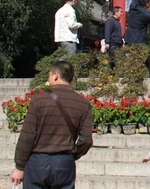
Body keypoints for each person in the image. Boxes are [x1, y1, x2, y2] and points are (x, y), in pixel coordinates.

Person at [11, 60, 94, 188]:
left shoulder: (39, 100)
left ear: (56, 75)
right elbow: (87, 140)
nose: (48, 78)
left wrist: (20, 166)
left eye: (49, 75)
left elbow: (28, 136)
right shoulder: (83, 104)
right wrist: (72, 155)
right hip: (65, 162)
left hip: (38, 161)